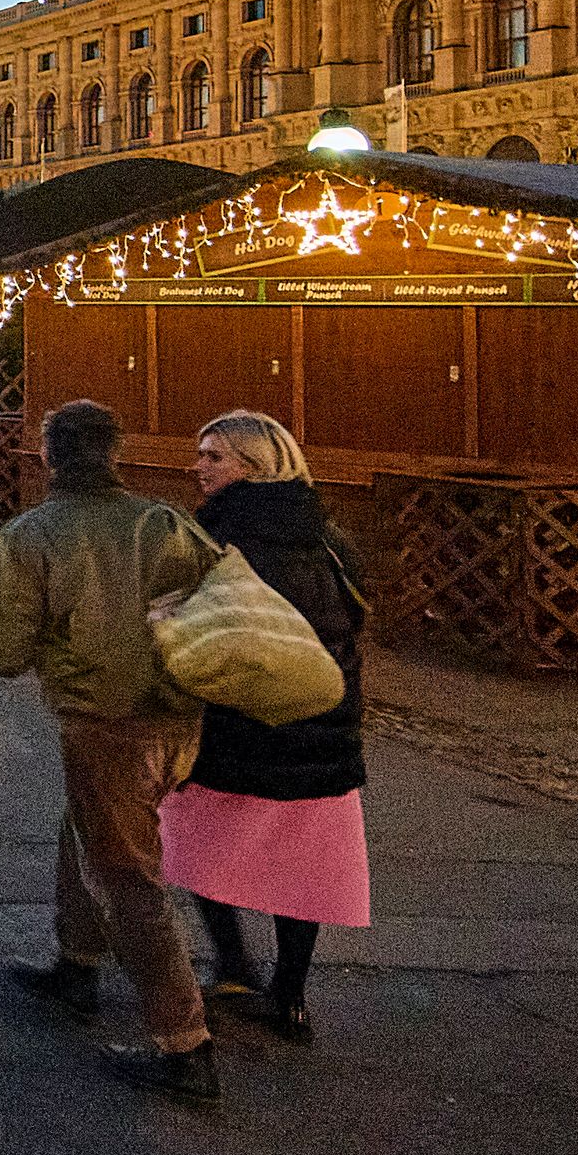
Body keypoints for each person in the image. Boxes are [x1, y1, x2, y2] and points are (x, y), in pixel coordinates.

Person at [0, 398, 226, 1102]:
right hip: (180, 722)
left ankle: (185, 1042)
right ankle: (76, 961)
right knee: (86, 830)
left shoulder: (35, 536)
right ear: (114, 452)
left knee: (127, 875)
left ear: (50, 454)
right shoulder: (167, 523)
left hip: (105, 723)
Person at [161, 411, 371, 1046]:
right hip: (320, 723)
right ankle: (291, 993)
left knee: (192, 837)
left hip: (232, 722)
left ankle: (232, 962)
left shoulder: (212, 539)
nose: (199, 468)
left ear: (252, 466)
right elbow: (355, 623)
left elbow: (183, 629)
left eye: (214, 457)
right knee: (302, 860)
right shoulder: (331, 539)